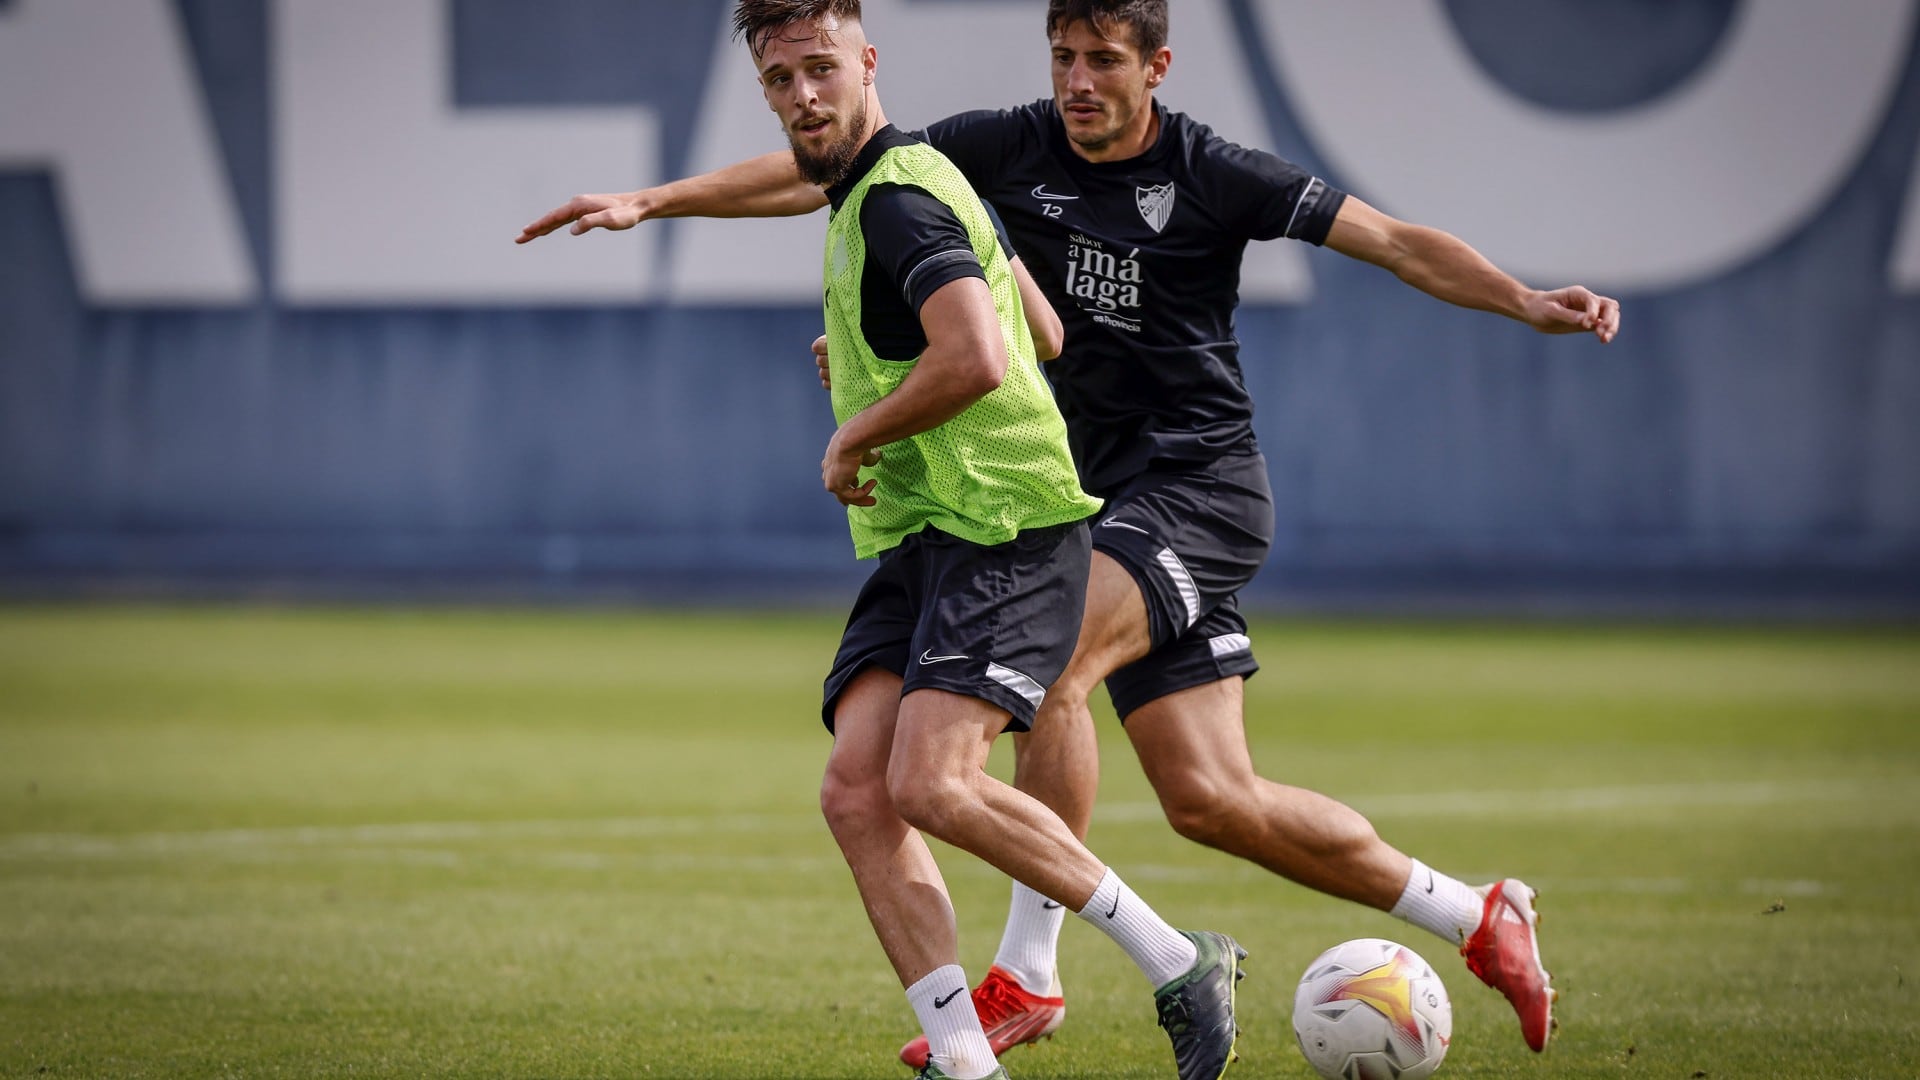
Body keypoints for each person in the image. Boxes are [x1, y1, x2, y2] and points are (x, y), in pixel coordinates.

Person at [519, 0, 1621, 1063]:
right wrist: (656, 201)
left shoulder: (1212, 172)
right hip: (1091, 495)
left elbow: (1390, 240)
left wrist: (1521, 300)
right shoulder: (1005, 147)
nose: (1078, 82)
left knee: (1050, 669)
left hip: (1198, 488)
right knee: (1211, 803)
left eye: (1102, 59)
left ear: (1158, 67)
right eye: (1062, 56)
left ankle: (1032, 974)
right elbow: (825, 173)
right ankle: (1475, 913)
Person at [519, 4, 1250, 1078]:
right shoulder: (893, 186)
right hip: (926, 533)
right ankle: (967, 1063)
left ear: (867, 62)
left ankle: (1180, 960)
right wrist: (874, 346)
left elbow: (984, 358)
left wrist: (855, 427)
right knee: (857, 792)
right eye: (782, 80)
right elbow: (1039, 331)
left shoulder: (901, 198)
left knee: (931, 784)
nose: (804, 96)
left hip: (1003, 526)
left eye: (823, 68)